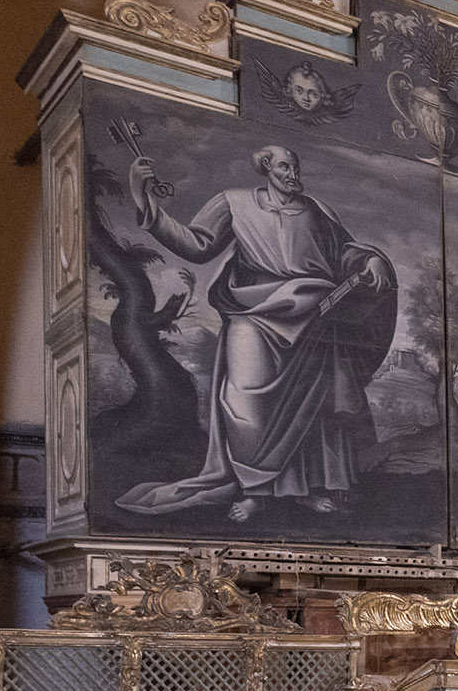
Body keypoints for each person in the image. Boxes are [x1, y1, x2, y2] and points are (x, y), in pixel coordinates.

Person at [117, 143, 397, 521]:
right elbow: (197, 244)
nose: (292, 174)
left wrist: (373, 258)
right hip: (252, 311)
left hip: (313, 314)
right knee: (244, 399)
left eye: (295, 167)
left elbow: (344, 252)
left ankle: (303, 490)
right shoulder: (234, 203)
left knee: (309, 407)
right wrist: (144, 201)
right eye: (284, 167)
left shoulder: (316, 210)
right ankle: (256, 491)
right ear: (266, 168)